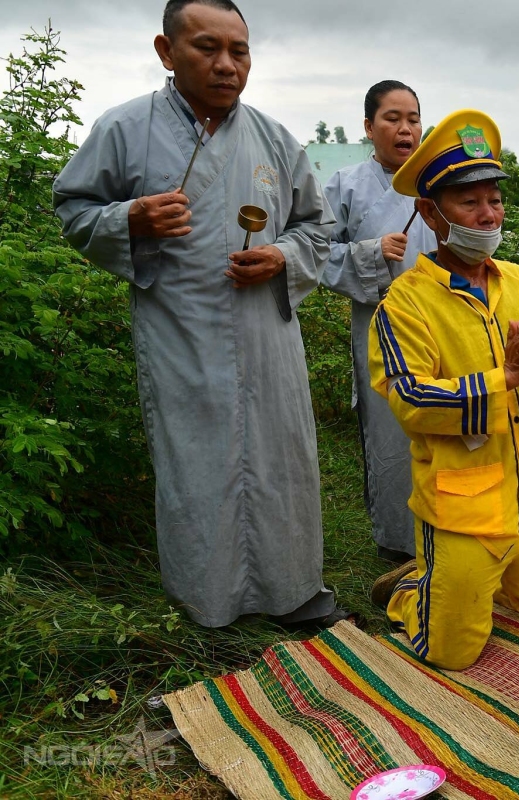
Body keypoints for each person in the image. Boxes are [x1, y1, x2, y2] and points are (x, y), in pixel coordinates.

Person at [53, 0, 341, 628]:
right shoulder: (125, 128)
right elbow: (73, 210)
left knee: (281, 458)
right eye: (207, 48)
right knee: (196, 463)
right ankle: (207, 606)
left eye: (239, 51)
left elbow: (316, 227)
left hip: (267, 335)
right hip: (182, 331)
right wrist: (128, 217)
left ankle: (295, 590)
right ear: (166, 51)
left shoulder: (274, 138)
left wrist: (282, 255)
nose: (226, 64)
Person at [367, 110, 519, 670]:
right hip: (467, 509)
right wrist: (508, 376)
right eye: (470, 203)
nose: (488, 215)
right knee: (451, 653)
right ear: (430, 212)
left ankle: (469, 581)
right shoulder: (404, 304)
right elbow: (413, 401)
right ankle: (414, 589)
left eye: (494, 200)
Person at [322, 80, 439, 563]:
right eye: (393, 118)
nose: (405, 128)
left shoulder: (437, 181)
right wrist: (369, 254)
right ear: (369, 127)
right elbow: (315, 251)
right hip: (381, 329)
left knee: (448, 422)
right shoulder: (344, 185)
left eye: (413, 118)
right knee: (392, 432)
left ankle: (454, 535)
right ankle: (398, 546)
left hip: (442, 325)